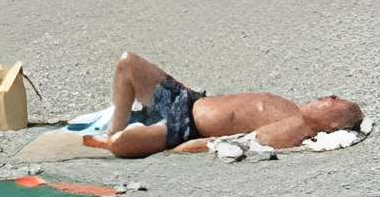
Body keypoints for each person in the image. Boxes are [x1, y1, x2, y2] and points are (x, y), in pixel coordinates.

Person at [87, 51, 362, 159]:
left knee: (120, 145)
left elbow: (230, 142)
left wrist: (180, 149)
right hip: (187, 99)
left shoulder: (287, 133)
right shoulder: (292, 112)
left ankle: (113, 136)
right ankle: (114, 127)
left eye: (338, 103)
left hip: (182, 128)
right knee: (127, 63)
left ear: (332, 125)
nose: (333, 97)